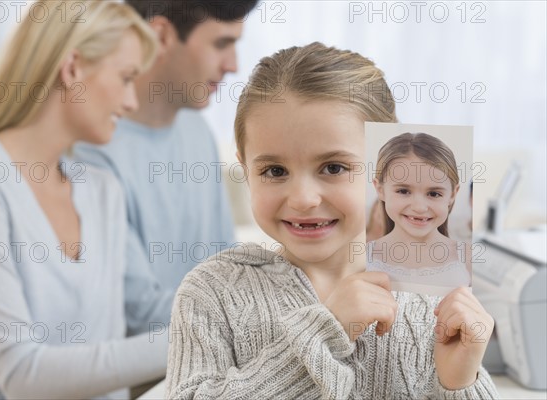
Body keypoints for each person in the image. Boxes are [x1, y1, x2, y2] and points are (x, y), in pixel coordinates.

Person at [164, 43, 498, 398]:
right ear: (245, 170)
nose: (303, 199)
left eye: (334, 167)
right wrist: (325, 333)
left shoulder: (434, 296)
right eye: (274, 170)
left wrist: (460, 382)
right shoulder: (213, 291)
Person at [0, 1, 168, 398]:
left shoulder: (103, 192)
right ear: (72, 69)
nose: (132, 101)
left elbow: (137, 320)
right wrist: (196, 339)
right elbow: (22, 375)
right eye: (126, 77)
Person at [73, 0, 258, 333]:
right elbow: (139, 310)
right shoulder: (90, 153)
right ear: (161, 36)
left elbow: (226, 263)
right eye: (221, 44)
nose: (233, 65)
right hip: (151, 373)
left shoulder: (197, 130)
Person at [367, 133, 472, 296]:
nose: (419, 207)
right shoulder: (363, 258)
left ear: (452, 194)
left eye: (434, 194)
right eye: (403, 191)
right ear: (380, 189)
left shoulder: (468, 257)